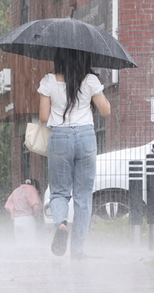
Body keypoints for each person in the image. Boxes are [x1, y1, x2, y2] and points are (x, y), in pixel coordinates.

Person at [38, 49, 111, 259]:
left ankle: (61, 223)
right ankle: (77, 249)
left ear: (57, 58)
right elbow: (105, 111)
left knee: (59, 192)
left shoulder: (49, 81)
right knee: (83, 195)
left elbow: (43, 116)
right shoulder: (89, 80)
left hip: (59, 137)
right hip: (86, 137)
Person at [5, 179, 42, 247]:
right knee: (30, 242)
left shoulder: (16, 191)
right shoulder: (31, 189)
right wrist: (37, 214)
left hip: (16, 220)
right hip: (28, 219)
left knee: (19, 243)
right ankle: (29, 256)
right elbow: (36, 206)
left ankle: (20, 256)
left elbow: (7, 206)